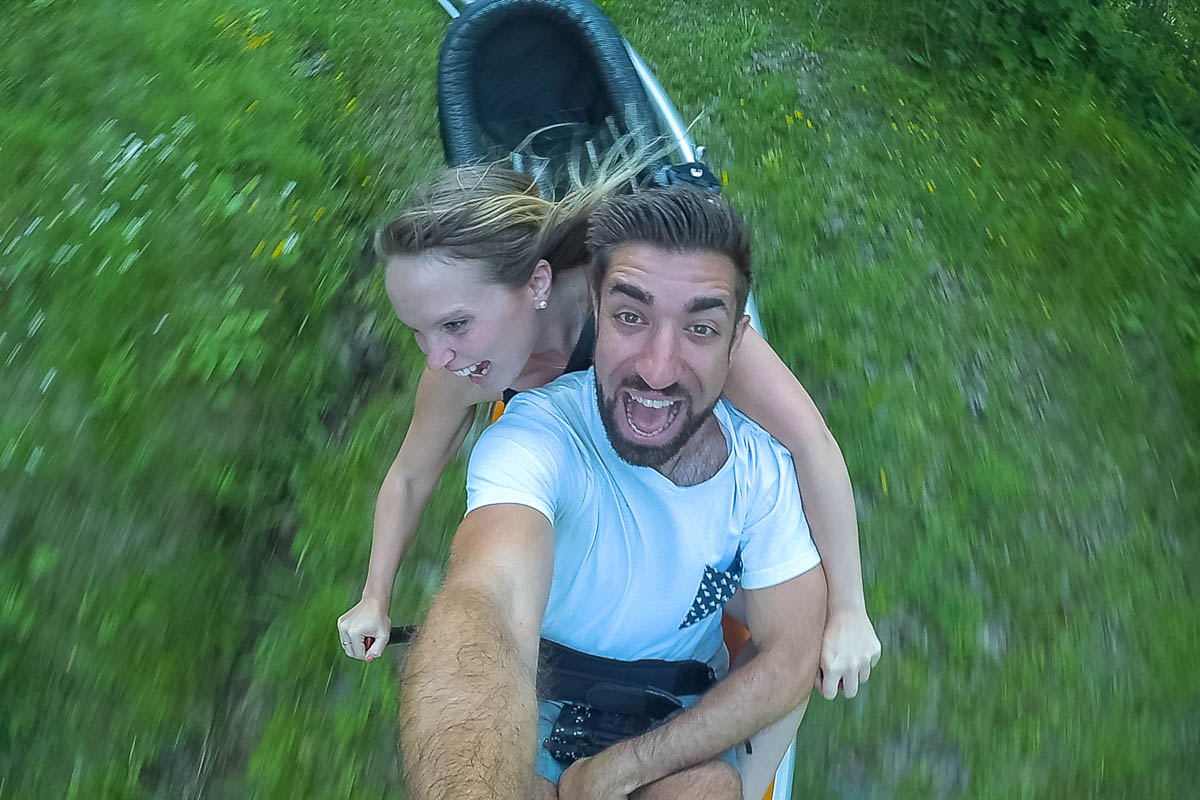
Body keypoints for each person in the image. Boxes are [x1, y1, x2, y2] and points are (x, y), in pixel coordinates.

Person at [337, 162, 880, 701]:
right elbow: (409, 478)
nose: (437, 356)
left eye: (455, 324)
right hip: (581, 489)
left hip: (677, 480)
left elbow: (810, 440)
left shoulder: (652, 317)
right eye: (418, 332)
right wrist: (374, 596)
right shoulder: (459, 373)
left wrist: (849, 608)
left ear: (538, 284)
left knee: (784, 613)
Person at [401, 186, 826, 799]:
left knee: (705, 791)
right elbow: (484, 597)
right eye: (631, 317)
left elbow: (790, 652)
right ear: (596, 314)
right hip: (531, 712)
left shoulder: (762, 475)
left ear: (737, 342)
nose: (657, 368)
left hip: (676, 731)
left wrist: (618, 771)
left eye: (701, 329)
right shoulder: (538, 436)